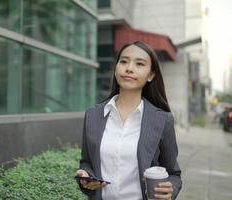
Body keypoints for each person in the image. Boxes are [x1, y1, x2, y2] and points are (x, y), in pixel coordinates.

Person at [75, 41, 182, 200]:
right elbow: (87, 162)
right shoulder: (93, 115)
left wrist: (170, 190)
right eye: (124, 61)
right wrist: (86, 176)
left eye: (139, 64)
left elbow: (173, 174)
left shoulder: (162, 120)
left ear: (151, 75)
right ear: (116, 68)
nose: (129, 68)